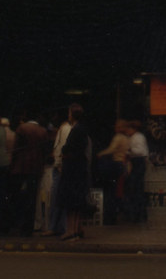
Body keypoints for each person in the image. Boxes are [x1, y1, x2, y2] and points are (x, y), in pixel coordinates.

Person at [9, 110, 48, 235]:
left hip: (20, 167)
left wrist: (12, 165)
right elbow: (44, 151)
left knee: (18, 197)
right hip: (36, 168)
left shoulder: (22, 128)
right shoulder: (43, 131)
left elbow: (16, 148)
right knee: (32, 198)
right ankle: (28, 227)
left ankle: (17, 225)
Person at [55, 103, 90, 242]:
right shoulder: (83, 129)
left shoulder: (75, 130)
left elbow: (66, 148)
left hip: (72, 168)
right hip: (79, 167)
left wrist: (64, 152)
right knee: (77, 202)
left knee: (70, 201)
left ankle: (70, 230)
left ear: (72, 114)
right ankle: (75, 229)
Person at [97, 120, 130, 225]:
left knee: (110, 191)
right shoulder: (126, 138)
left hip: (115, 164)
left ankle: (110, 216)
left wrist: (101, 154)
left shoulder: (118, 137)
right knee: (117, 190)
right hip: (122, 164)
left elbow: (112, 149)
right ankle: (116, 213)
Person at [124, 120, 149, 223]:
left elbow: (141, 151)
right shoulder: (135, 137)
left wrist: (129, 151)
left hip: (138, 162)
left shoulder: (138, 137)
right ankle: (138, 214)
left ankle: (140, 214)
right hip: (137, 162)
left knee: (137, 188)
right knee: (136, 188)